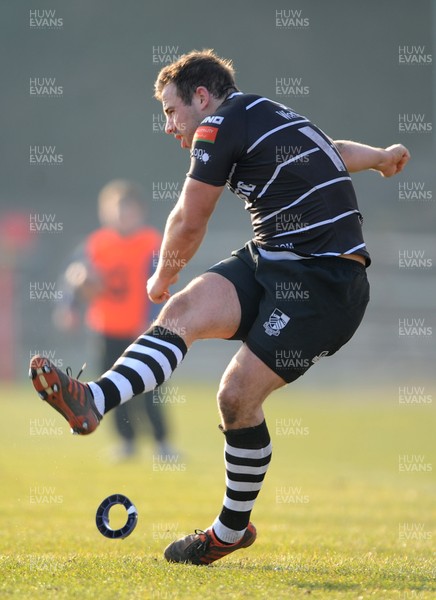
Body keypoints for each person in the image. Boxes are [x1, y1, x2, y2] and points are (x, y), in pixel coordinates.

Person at [30, 49, 410, 565]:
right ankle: (94, 400)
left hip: (327, 281)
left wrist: (162, 274)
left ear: (202, 98)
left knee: (235, 396)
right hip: (273, 258)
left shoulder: (217, 128)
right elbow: (334, 151)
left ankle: (229, 531)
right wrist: (383, 157)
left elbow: (190, 218)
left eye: (170, 111)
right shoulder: (271, 114)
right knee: (183, 313)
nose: (168, 126)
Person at [53, 180, 175, 459]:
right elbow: (72, 277)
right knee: (113, 389)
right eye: (115, 210)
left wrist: (154, 320)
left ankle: (162, 443)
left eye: (127, 210)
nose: (121, 216)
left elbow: (163, 283)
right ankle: (127, 442)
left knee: (151, 387)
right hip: (106, 328)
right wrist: (68, 305)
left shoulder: (151, 243)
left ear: (140, 211)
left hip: (141, 330)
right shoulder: (97, 244)